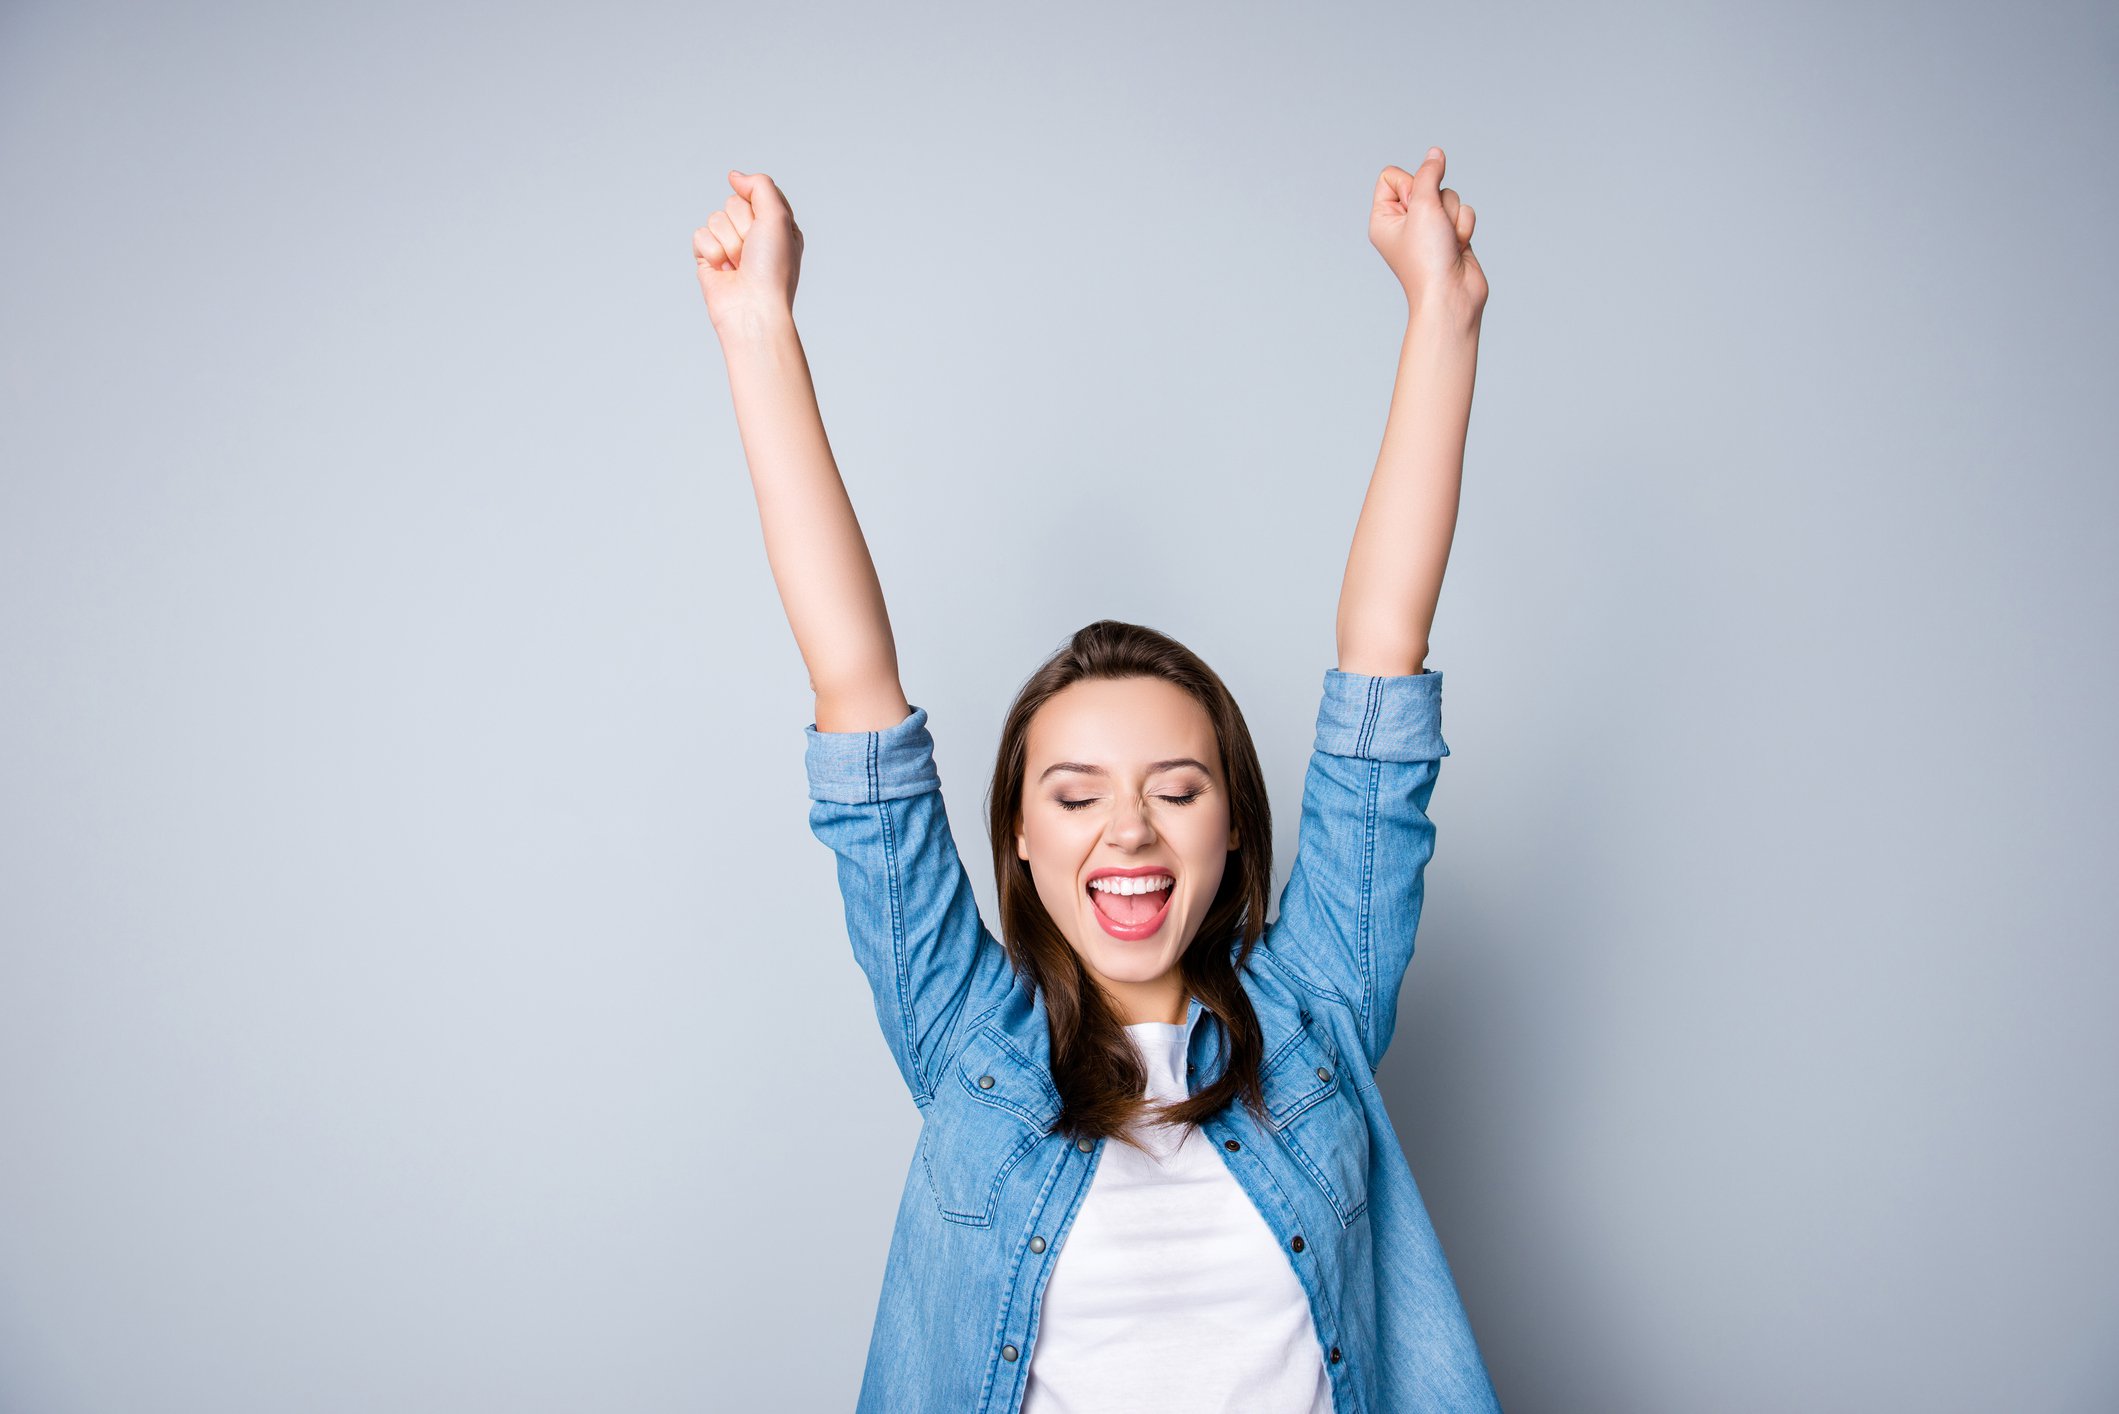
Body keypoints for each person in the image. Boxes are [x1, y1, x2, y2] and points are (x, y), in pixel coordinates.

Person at [693, 149, 1499, 1414]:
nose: (1128, 830)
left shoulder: (1321, 1012)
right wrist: (757, 329)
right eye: (1075, 796)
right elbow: (854, 687)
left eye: (1176, 790)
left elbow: (1383, 659)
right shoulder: (967, 1038)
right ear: (1019, 834)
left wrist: (1440, 312)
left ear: (1233, 826)